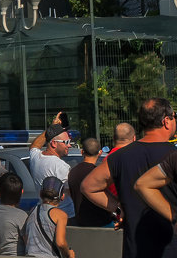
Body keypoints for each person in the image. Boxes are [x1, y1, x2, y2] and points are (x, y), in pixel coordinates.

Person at [81, 97, 177, 258]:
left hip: (135, 248)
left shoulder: (120, 156)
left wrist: (118, 208)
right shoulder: (173, 155)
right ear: (166, 121)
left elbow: (88, 186)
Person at [29, 114, 75, 216]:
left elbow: (34, 146)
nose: (69, 145)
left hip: (42, 213)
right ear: (54, 143)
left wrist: (52, 128)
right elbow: (73, 192)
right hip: (64, 216)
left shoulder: (35, 158)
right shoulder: (61, 166)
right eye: (66, 142)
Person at [23, 177, 75, 258]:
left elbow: (26, 238)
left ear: (40, 194)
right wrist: (68, 254)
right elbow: (60, 243)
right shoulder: (61, 215)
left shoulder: (32, 211)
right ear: (62, 197)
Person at [69, 137, 114, 227]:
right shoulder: (97, 174)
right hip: (102, 222)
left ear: (82, 152)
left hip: (81, 222)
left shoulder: (72, 172)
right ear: (100, 152)